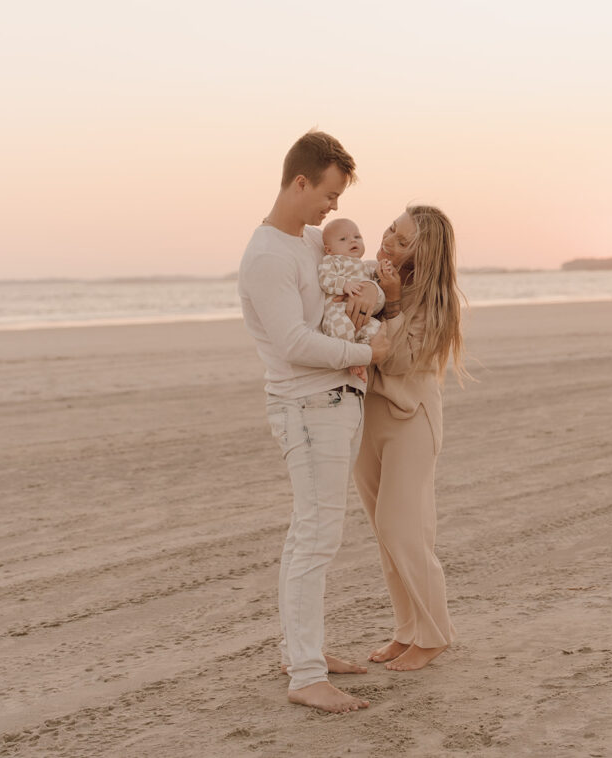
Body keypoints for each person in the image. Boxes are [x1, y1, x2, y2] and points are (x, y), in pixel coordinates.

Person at [237, 131, 390, 713]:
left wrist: (370, 295)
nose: (334, 207)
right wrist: (367, 355)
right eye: (329, 194)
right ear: (301, 182)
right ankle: (305, 674)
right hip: (307, 406)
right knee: (317, 538)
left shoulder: (306, 242)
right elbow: (297, 343)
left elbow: (354, 277)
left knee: (309, 533)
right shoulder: (267, 257)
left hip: (333, 402)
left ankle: (304, 652)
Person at [354, 205, 469, 671]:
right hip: (367, 417)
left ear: (425, 255)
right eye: (390, 231)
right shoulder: (370, 275)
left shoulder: (438, 302)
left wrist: (395, 302)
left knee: (406, 530)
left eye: (402, 242)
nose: (387, 243)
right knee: (385, 534)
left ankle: (434, 633)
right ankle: (407, 630)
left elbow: (398, 362)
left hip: (411, 420)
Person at [318, 218, 384, 346]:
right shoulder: (332, 261)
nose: (353, 240)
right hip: (338, 311)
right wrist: (344, 285)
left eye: (357, 236)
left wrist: (384, 270)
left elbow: (377, 281)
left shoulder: (365, 266)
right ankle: (352, 357)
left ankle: (362, 354)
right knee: (342, 328)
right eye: (343, 239)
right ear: (329, 250)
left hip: (361, 316)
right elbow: (326, 279)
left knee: (376, 328)